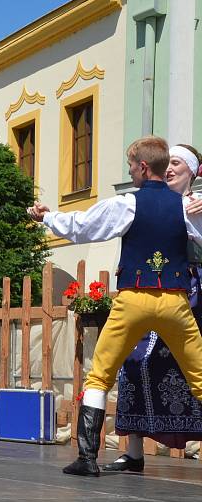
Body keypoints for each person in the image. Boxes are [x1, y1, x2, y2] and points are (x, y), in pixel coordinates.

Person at [27, 135, 202, 477]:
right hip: (176, 301)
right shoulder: (185, 206)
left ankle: (88, 459)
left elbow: (83, 228)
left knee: (100, 375)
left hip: (133, 298)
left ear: (141, 167)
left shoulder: (128, 203)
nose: (129, 172)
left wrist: (48, 218)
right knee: (200, 377)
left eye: (130, 166)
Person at [105, 144, 202, 472]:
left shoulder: (196, 203)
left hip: (191, 295)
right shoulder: (141, 203)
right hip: (149, 293)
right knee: (134, 362)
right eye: (168, 162)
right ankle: (134, 451)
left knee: (196, 373)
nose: (171, 168)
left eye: (178, 163)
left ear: (192, 172)